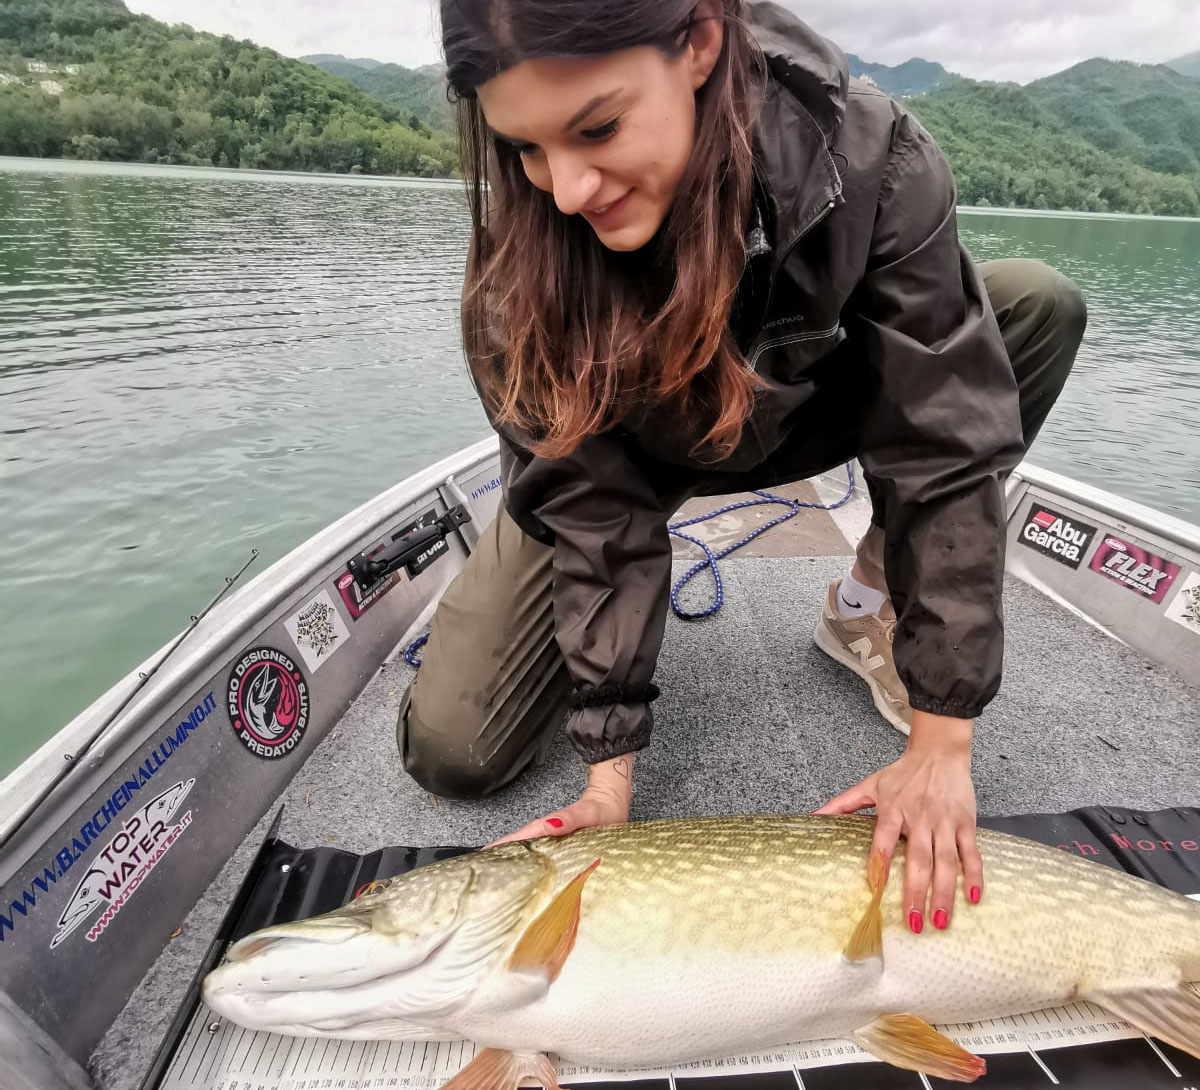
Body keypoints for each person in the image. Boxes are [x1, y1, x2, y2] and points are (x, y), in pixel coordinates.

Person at [398, 0, 1087, 934]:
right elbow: (590, 513)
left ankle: (865, 604)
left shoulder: (875, 158)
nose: (564, 189)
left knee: (1030, 306)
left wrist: (943, 740)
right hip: (629, 456)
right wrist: (609, 775)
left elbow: (945, 443)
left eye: (597, 127)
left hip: (808, 409)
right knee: (452, 747)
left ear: (699, 45)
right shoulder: (520, 269)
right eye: (524, 146)